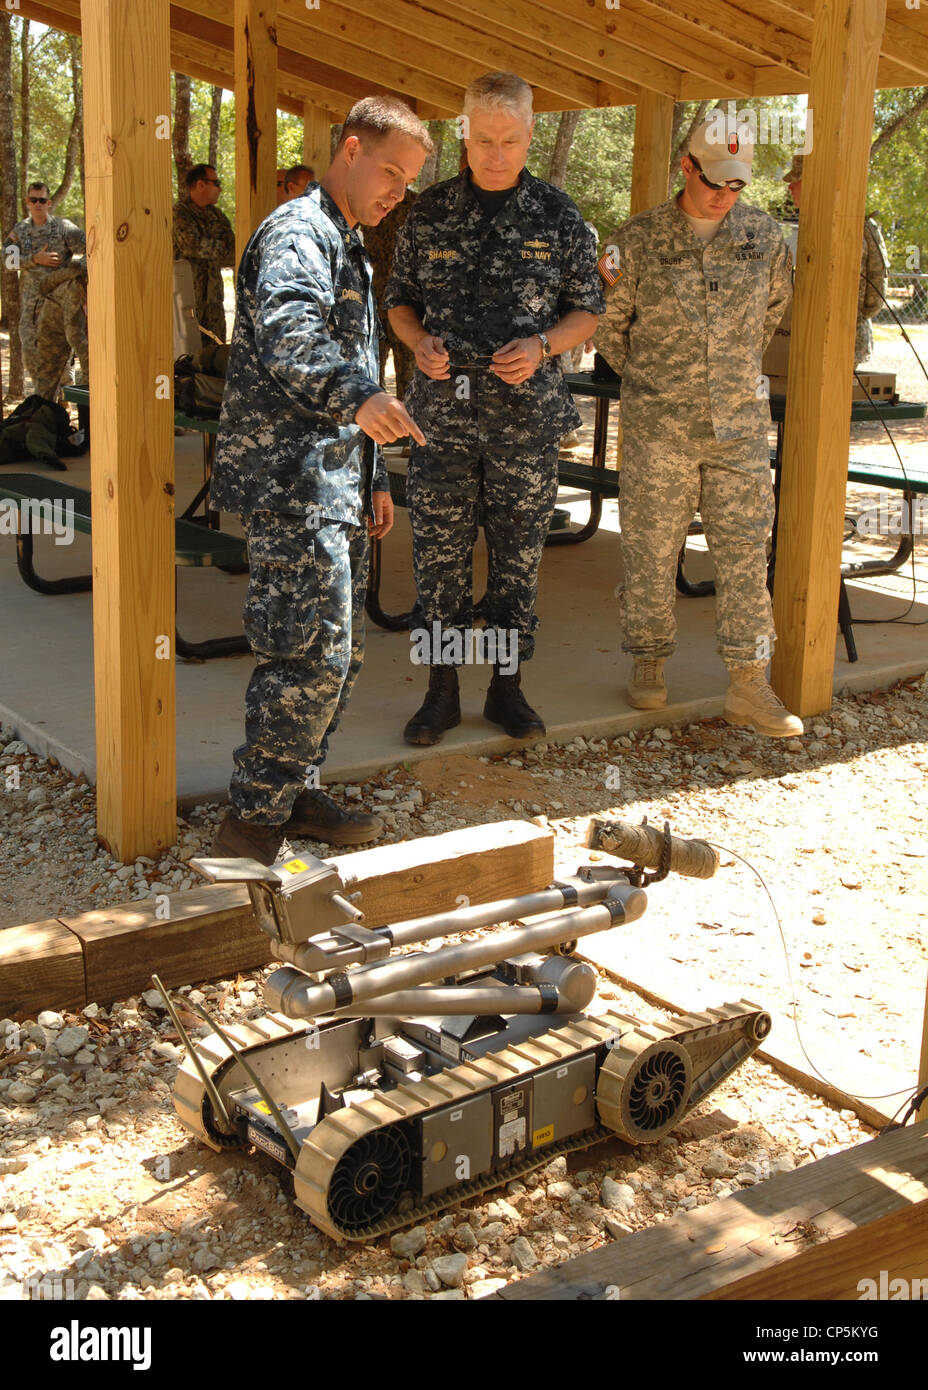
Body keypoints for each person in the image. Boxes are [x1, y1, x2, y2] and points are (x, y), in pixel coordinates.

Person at [209, 97, 431, 866]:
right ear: (351, 147)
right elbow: (289, 333)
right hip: (291, 479)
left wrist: (373, 476)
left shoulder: (348, 240)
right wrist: (363, 400)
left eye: (408, 183)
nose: (396, 193)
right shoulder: (300, 230)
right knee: (306, 653)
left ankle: (295, 788)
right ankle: (252, 821)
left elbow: (358, 361)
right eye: (390, 173)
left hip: (334, 480)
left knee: (340, 653)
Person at [385, 71, 604, 746]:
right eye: (484, 139)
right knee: (439, 565)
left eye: (510, 139)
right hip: (441, 423)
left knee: (516, 564)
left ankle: (507, 692)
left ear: (530, 132)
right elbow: (399, 301)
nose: (497, 153)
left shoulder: (558, 215)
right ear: (464, 134)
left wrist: (542, 345)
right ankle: (441, 695)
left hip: (524, 425)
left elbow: (588, 310)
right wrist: (419, 343)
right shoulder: (428, 213)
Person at [595, 115, 802, 737]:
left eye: (736, 186)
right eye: (715, 182)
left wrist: (726, 376)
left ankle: (749, 683)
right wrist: (659, 383)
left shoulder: (765, 237)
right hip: (660, 426)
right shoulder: (634, 241)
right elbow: (607, 328)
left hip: (738, 423)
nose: (725, 195)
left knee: (743, 549)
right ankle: (649, 662)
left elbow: (770, 315)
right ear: (687, 167)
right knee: (651, 546)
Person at [782, 153, 889, 368]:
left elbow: (874, 293)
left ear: (814, 182)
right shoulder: (818, 225)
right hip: (810, 339)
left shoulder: (846, 227)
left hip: (840, 343)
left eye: (796, 180)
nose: (790, 188)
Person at [3, 181, 84, 393]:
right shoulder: (20, 230)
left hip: (59, 306)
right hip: (32, 308)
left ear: (49, 203)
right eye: (33, 200)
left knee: (62, 363)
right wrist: (34, 259)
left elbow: (91, 248)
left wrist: (72, 276)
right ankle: (47, 409)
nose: (37, 204)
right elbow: (7, 262)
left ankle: (63, 406)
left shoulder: (64, 228)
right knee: (30, 356)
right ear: (28, 202)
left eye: (41, 200)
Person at [363, 188, 418, 401]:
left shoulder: (418, 206)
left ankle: (407, 433)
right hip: (372, 302)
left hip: (407, 307)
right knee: (370, 376)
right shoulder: (371, 201)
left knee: (409, 379)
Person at [172, 163, 235, 345]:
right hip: (187, 300)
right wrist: (218, 247)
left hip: (214, 300)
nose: (220, 189)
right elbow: (191, 246)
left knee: (216, 352)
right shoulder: (180, 212)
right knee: (187, 354)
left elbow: (233, 251)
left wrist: (212, 247)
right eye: (216, 183)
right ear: (200, 184)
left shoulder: (218, 216)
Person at [34, 259, 89, 403]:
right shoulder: (75, 291)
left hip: (74, 325)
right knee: (47, 381)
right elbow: (75, 336)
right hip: (51, 331)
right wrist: (91, 374)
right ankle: (42, 417)